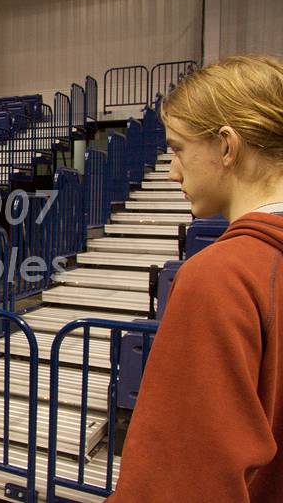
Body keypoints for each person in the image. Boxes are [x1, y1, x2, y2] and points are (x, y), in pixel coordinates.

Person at [107, 55, 283, 502]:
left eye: (179, 148)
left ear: (227, 146)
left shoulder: (221, 276)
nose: (172, 171)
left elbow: (177, 481)